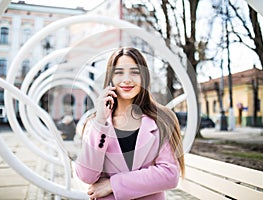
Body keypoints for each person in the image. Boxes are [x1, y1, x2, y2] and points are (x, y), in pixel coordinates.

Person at [75, 47, 185, 200]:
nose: (127, 79)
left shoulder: (162, 119)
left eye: (135, 72)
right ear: (110, 78)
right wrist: (100, 122)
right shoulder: (95, 123)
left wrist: (112, 184)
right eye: (119, 72)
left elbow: (170, 174)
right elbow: (87, 176)